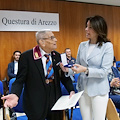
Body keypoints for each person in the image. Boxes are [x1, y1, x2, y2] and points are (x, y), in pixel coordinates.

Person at [2, 30, 75, 120]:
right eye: (52, 38)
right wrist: (15, 94)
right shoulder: (27, 57)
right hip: (35, 100)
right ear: (42, 42)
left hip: (55, 99)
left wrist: (71, 90)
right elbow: (19, 80)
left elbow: (63, 77)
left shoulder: (57, 56)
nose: (55, 40)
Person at [60, 15, 113, 120]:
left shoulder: (107, 46)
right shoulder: (82, 45)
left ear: (98, 29)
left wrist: (85, 70)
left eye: (89, 27)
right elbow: (77, 65)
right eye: (86, 26)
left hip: (99, 90)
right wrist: (68, 70)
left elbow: (105, 71)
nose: (86, 29)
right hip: (83, 89)